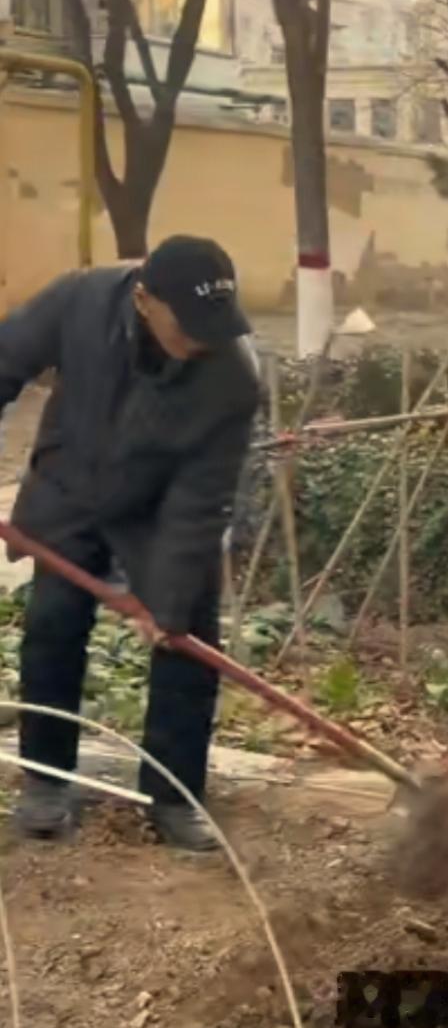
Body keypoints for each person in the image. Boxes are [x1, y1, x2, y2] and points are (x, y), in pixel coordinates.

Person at [0, 237, 260, 853]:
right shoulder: (81, 300)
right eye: (189, 324)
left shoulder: (232, 378)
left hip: (159, 508)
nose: (205, 338)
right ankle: (47, 779)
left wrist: (164, 606)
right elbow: (3, 362)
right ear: (144, 300)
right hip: (70, 489)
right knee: (54, 623)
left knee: (188, 637)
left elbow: (201, 503)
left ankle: (174, 795)